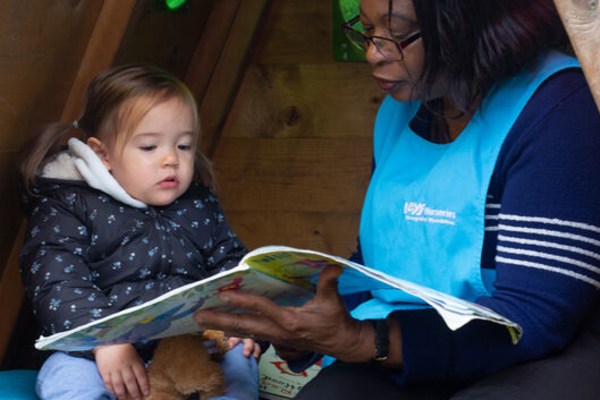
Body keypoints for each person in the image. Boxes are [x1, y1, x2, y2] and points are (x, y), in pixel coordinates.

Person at [193, 0, 600, 399]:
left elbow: (536, 319)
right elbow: (377, 264)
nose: (374, 52)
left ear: (470, 22)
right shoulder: (399, 112)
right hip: (404, 345)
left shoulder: (558, 109)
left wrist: (366, 341)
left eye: (399, 34)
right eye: (368, 31)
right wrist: (303, 331)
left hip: (530, 358)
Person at [19, 64, 262, 400]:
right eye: (149, 147)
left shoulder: (198, 203)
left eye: (184, 146)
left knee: (240, 364)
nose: (171, 160)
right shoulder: (69, 203)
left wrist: (238, 324)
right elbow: (57, 280)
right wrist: (105, 341)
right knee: (68, 381)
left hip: (187, 344)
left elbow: (230, 265)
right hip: (98, 350)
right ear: (103, 153)